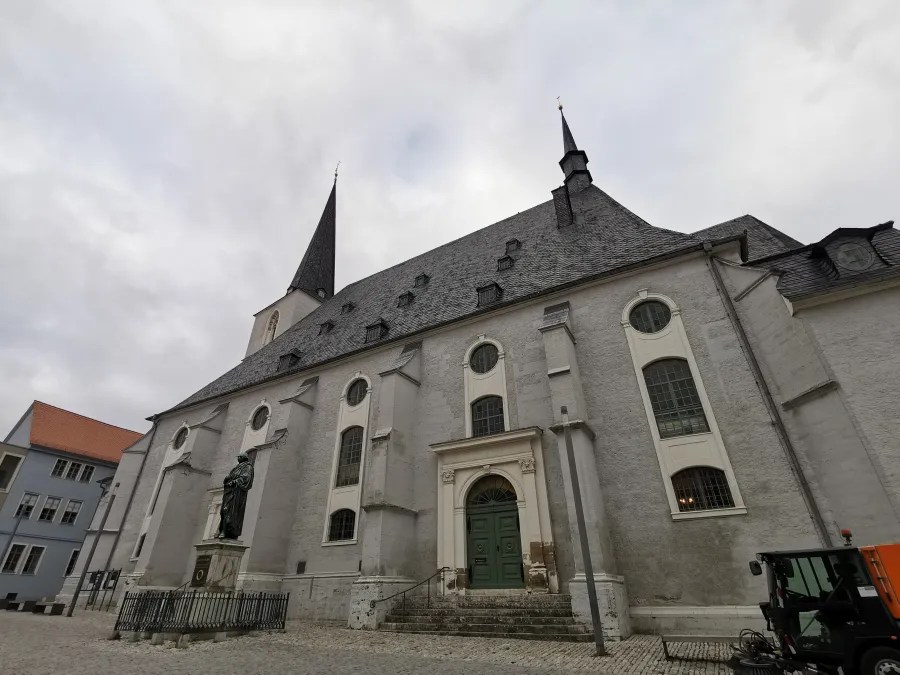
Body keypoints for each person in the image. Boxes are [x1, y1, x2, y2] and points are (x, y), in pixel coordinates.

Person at [216, 453, 254, 540]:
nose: (238, 459)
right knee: (224, 511)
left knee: (229, 511)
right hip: (229, 492)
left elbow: (246, 479)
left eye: (239, 457)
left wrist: (234, 482)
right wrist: (227, 479)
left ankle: (227, 532)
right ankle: (222, 531)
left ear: (242, 458)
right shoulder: (237, 467)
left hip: (237, 494)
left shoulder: (248, 467)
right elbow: (230, 477)